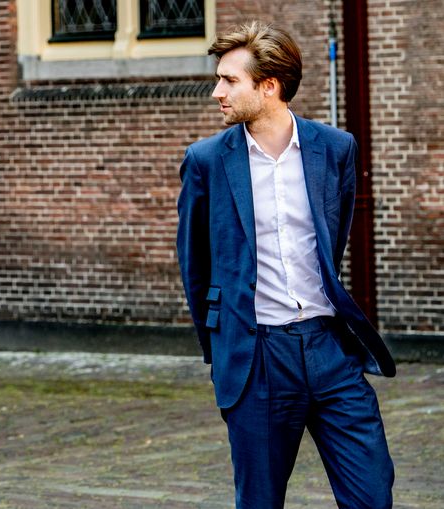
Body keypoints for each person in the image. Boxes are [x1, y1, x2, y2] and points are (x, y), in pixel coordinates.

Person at [176, 21, 395, 509]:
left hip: (329, 350)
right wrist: (223, 349)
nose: (217, 92)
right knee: (259, 500)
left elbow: (333, 237)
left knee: (372, 494)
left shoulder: (334, 148)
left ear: (269, 86)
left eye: (230, 80)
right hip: (257, 357)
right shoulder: (206, 161)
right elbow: (195, 267)